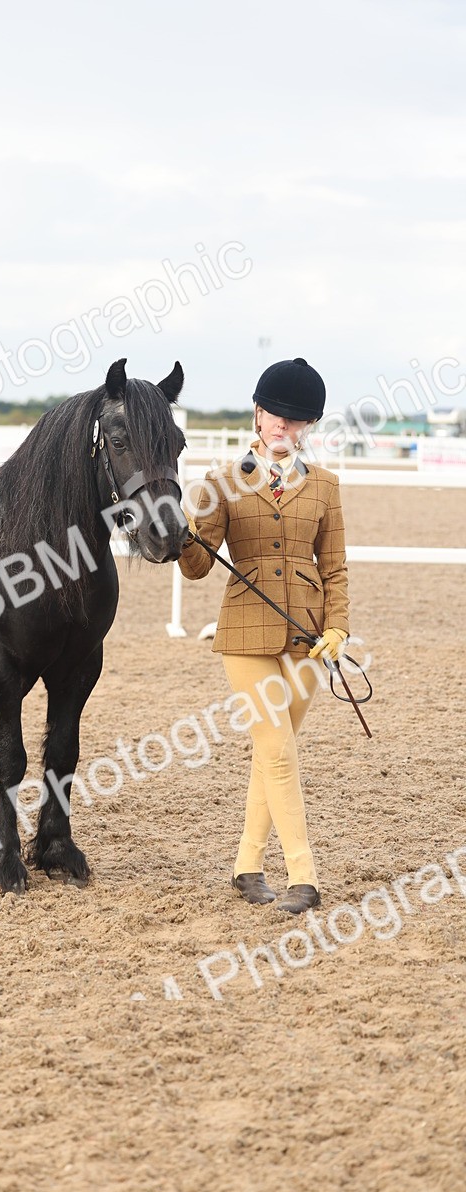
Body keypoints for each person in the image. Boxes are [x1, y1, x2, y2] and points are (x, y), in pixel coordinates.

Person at [179, 358, 349, 915]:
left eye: (295, 418)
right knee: (276, 749)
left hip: (308, 637)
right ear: (257, 412)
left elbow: (336, 567)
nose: (282, 424)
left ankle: (246, 866)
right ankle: (304, 875)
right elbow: (196, 567)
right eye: (275, 413)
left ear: (308, 427)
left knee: (272, 752)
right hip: (246, 631)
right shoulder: (223, 483)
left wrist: (339, 627)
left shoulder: (325, 487)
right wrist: (184, 531)